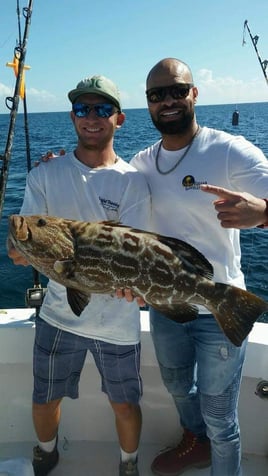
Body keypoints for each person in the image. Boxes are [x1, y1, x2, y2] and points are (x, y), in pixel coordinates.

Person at [129, 58, 268, 476]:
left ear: (194, 94)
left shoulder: (228, 150)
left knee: (222, 419)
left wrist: (262, 211)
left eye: (176, 90)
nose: (167, 101)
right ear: (148, 104)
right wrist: (57, 165)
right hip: (165, 305)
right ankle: (195, 440)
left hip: (221, 308)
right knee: (176, 386)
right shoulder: (140, 163)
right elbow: (100, 194)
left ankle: (213, 444)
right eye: (157, 95)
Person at [8, 74, 151, 476]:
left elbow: (134, 248)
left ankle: (128, 464)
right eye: (82, 108)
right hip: (57, 315)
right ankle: (46, 451)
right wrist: (19, 250)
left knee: (125, 403)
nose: (92, 117)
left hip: (118, 322)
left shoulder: (133, 181)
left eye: (103, 109)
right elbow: (25, 235)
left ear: (119, 119)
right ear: (71, 116)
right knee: (45, 398)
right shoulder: (44, 174)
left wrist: (136, 285)